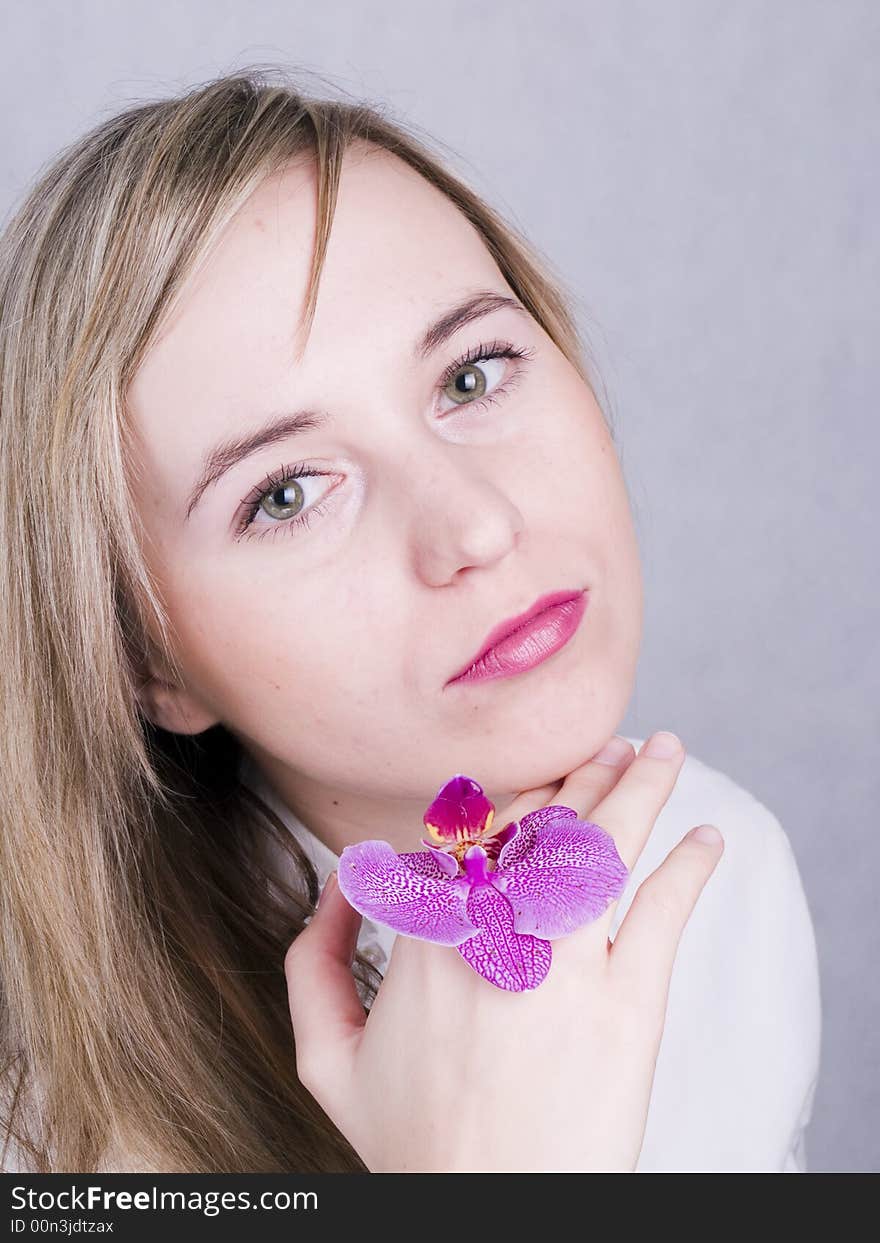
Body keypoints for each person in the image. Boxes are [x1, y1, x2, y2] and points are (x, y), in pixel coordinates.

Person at [0, 67, 820, 1174]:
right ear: (146, 661)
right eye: (285, 492)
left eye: (474, 374)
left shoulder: (722, 882)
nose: (474, 525)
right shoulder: (45, 1120)